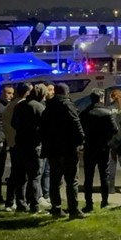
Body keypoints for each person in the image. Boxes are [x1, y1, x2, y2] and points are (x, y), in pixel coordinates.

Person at [42, 82, 86, 219]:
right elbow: (75, 123)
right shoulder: (67, 105)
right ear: (67, 92)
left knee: (55, 180)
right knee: (72, 179)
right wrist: (81, 140)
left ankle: (56, 208)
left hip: (53, 149)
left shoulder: (48, 107)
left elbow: (43, 128)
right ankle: (73, 209)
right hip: (68, 148)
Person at [11, 83, 48, 213]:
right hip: (34, 146)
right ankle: (34, 204)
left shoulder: (20, 105)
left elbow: (13, 123)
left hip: (20, 144)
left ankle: (21, 203)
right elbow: (45, 126)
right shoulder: (39, 107)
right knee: (35, 176)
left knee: (21, 176)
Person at [81, 89, 118, 212]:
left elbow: (81, 129)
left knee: (88, 176)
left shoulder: (85, 113)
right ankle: (104, 201)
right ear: (101, 98)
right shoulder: (107, 113)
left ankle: (88, 203)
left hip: (89, 146)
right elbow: (114, 129)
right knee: (104, 174)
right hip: (103, 147)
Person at [2, 82, 31, 211]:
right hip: (19, 143)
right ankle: (19, 201)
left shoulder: (10, 105)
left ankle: (12, 201)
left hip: (13, 142)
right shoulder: (21, 105)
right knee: (20, 175)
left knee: (16, 173)